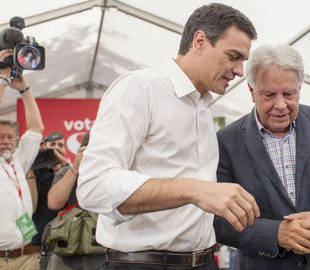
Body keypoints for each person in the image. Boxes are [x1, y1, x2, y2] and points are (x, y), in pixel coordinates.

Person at [76, 3, 259, 270]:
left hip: (203, 261)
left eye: (243, 61)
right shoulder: (139, 88)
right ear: (199, 41)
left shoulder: (203, 107)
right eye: (233, 56)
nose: (240, 71)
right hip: (143, 263)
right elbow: (94, 185)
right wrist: (194, 189)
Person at [213, 44, 310, 269]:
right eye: (269, 95)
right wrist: (276, 234)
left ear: (300, 88)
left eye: (289, 94)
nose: (280, 105)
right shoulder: (226, 141)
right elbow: (219, 220)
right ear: (251, 91)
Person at [0, 48, 44, 270]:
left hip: (26, 257)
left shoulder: (18, 162)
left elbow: (36, 128)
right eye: (0, 137)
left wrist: (25, 90)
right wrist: (2, 79)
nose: (6, 141)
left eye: (9, 137)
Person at [46, 132, 104, 270]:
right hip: (66, 256)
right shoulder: (67, 171)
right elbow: (54, 203)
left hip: (101, 255)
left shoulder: (111, 173)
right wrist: (76, 168)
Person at [28, 131, 69, 270]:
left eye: (60, 145)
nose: (57, 148)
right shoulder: (35, 172)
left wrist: (65, 164)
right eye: (53, 145)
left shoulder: (71, 172)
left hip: (67, 241)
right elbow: (27, 207)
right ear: (45, 147)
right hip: (40, 241)